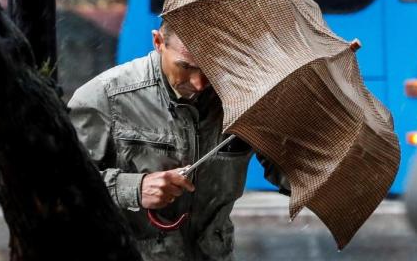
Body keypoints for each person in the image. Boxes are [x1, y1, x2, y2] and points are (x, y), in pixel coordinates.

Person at [68, 22, 286, 260]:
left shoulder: (243, 98)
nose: (199, 83)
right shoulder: (104, 98)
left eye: (209, 67)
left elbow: (286, 170)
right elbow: (57, 184)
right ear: (158, 42)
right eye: (185, 66)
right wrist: (133, 188)